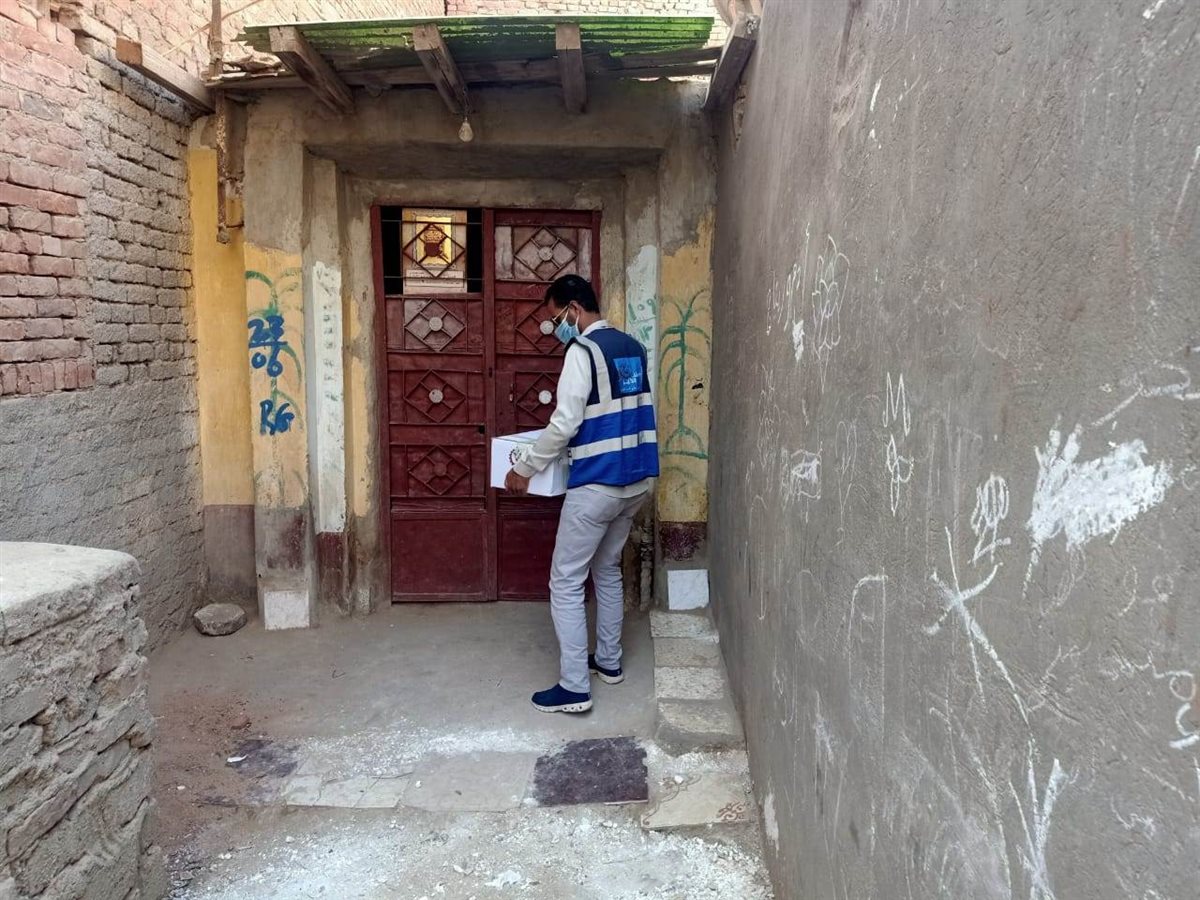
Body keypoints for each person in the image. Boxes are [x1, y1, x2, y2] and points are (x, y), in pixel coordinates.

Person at [504, 274, 659, 713]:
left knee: (566, 581)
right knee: (606, 569)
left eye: (556, 320)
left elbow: (565, 423)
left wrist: (525, 468)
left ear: (574, 309)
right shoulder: (633, 347)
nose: (555, 329)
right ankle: (608, 661)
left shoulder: (582, 351)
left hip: (597, 483)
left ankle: (574, 686)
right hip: (635, 481)